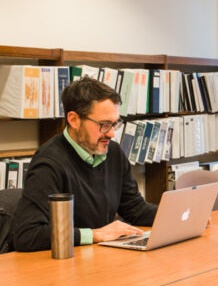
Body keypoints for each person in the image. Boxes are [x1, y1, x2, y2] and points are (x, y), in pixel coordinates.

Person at [11, 77, 157, 252]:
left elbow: (135, 208)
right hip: (64, 265)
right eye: (104, 125)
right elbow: (27, 234)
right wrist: (95, 235)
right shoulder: (49, 163)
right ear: (73, 120)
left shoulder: (114, 152)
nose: (112, 134)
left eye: (115, 124)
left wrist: (180, 215)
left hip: (101, 257)